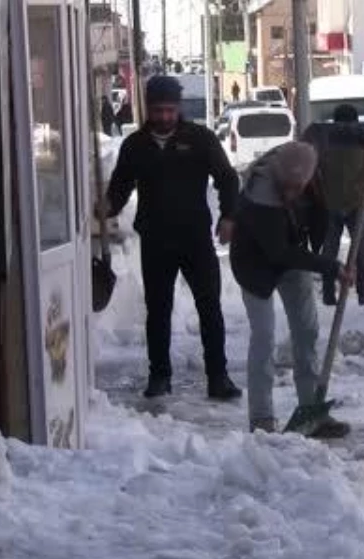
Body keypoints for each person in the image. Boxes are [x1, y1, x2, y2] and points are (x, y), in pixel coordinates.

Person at [98, 75, 243, 401]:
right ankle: (159, 376)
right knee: (158, 310)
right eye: (158, 110)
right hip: (155, 239)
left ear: (178, 109)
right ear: (147, 109)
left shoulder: (200, 139)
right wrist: (106, 207)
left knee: (210, 308)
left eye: (170, 110)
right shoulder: (135, 145)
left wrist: (229, 216)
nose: (164, 117)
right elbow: (120, 186)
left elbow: (227, 178)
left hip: (195, 238)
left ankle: (218, 378)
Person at [226, 141, 356, 437]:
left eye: (298, 188)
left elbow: (321, 216)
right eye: (287, 187)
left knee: (307, 332)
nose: (292, 193)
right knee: (264, 337)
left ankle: (312, 413)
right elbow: (278, 252)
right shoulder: (260, 195)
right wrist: (330, 267)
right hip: (255, 265)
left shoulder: (311, 177)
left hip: (291, 255)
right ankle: (261, 419)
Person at [300, 104, 364, 306]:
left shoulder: (325, 139)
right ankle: (363, 292)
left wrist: (320, 193)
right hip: (358, 204)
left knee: (329, 250)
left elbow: (315, 169)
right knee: (360, 248)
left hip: (330, 203)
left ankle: (329, 293)